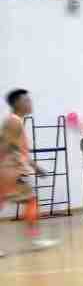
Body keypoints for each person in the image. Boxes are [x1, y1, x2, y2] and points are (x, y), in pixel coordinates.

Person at [1, 89, 56, 255]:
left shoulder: (15, 121)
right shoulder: (14, 122)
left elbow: (17, 150)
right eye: (26, 100)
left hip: (9, 170)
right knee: (31, 201)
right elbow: (4, 146)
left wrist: (35, 166)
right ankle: (35, 240)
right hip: (11, 171)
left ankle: (35, 240)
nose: (30, 103)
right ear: (17, 103)